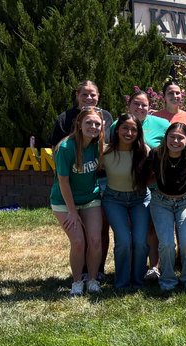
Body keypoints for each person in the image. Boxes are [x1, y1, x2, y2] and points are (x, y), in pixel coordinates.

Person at [49, 107, 105, 296]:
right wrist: (72, 212)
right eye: (88, 122)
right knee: (79, 242)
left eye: (97, 124)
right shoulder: (66, 148)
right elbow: (63, 182)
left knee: (95, 240)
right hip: (64, 201)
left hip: (90, 198)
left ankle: (92, 280)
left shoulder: (99, 145)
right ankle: (76, 282)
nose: (93, 126)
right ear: (79, 125)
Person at [144, 121, 186, 292]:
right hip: (161, 202)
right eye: (172, 137)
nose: (175, 141)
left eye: (180, 138)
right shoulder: (156, 154)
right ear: (166, 137)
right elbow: (144, 176)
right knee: (166, 243)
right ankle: (167, 278)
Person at [100, 112, 151, 292]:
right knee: (123, 240)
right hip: (114, 199)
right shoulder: (105, 151)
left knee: (140, 241)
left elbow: (151, 177)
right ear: (117, 129)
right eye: (125, 128)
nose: (129, 133)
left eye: (133, 129)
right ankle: (121, 282)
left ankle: (137, 281)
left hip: (140, 199)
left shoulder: (144, 150)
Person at [47, 79, 113, 148]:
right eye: (85, 94)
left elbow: (111, 142)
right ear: (77, 95)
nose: (89, 98)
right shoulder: (64, 118)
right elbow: (55, 146)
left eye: (93, 95)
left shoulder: (106, 116)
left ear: (98, 96)